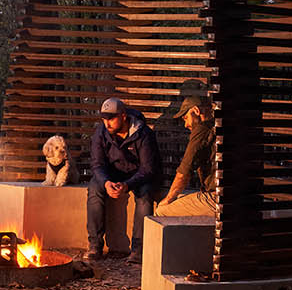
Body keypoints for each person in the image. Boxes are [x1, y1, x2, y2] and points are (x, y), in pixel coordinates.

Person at [86, 96, 160, 259]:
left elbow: (148, 169)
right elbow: (97, 164)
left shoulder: (143, 133)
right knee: (94, 189)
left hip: (137, 176)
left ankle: (138, 250)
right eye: (104, 119)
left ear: (123, 116)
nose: (107, 123)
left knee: (146, 195)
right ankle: (95, 245)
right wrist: (106, 183)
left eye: (111, 118)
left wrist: (127, 185)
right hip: (111, 175)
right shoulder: (101, 132)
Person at [157, 80, 217, 221]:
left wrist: (168, 199)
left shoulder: (202, 129)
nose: (186, 124)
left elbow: (183, 174)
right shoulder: (216, 125)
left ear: (196, 111)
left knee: (162, 211)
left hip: (216, 200)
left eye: (186, 117)